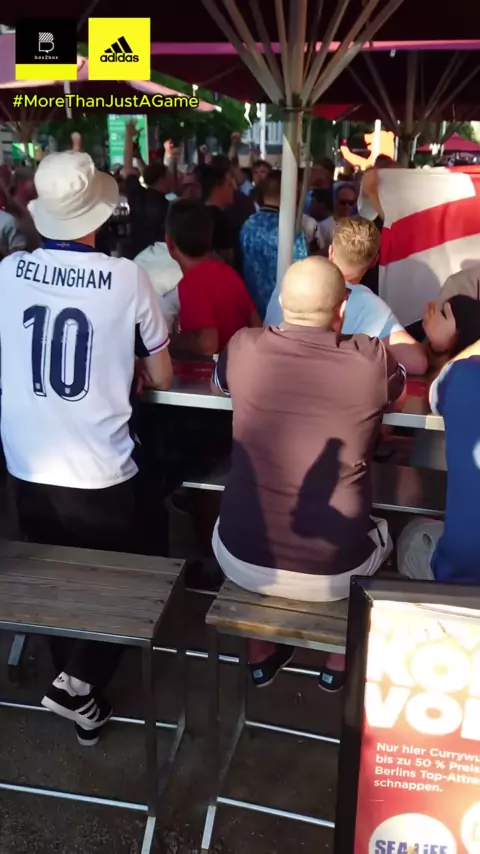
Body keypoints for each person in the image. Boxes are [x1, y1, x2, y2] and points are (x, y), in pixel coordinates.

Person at [0, 150, 172, 744]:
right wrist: (128, 367)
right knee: (139, 571)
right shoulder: (127, 277)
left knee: (56, 579)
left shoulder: (9, 271)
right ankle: (77, 684)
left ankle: (79, 693)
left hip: (26, 458)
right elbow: (164, 374)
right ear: (99, 215)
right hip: (99, 465)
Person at [212, 256, 406, 690]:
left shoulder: (243, 346)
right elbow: (397, 394)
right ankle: (338, 659)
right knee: (391, 529)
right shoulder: (371, 359)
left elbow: (218, 384)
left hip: (239, 557)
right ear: (343, 310)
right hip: (335, 572)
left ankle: (260, 654)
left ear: (282, 302)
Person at [265, 217, 428, 376]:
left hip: (274, 376)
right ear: (374, 261)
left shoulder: (291, 281)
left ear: (331, 251)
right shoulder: (371, 307)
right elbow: (417, 362)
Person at [397, 320, 480, 584]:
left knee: (411, 532)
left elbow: (436, 391)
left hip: (461, 577)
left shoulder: (463, 376)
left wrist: (446, 350)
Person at [166, 199, 259, 358]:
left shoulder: (191, 283)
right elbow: (256, 325)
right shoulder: (229, 273)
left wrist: (163, 341)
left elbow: (207, 344)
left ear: (169, 244)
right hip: (241, 364)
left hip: (214, 370)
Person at [239, 170, 309, 319]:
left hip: (251, 310)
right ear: (293, 193)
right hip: (282, 311)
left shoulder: (248, 224)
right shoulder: (290, 230)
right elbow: (303, 269)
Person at [122, 121, 170, 258]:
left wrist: (128, 135)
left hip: (134, 255)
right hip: (157, 259)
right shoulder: (167, 206)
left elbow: (127, 167)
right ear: (162, 179)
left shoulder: (139, 195)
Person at [195, 164, 237, 266]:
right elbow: (226, 259)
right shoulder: (221, 221)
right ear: (217, 187)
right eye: (229, 185)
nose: (234, 188)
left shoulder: (196, 214)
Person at [315, 183, 359, 253]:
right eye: (343, 202)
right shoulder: (323, 226)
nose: (347, 206)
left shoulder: (359, 226)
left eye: (351, 203)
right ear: (335, 202)